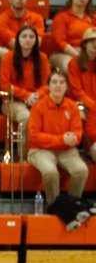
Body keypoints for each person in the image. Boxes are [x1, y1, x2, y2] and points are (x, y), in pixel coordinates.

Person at [28, 70, 89, 204]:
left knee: (81, 170)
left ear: (66, 87)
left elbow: (77, 134)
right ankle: (54, 207)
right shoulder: (38, 106)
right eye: (54, 82)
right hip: (40, 150)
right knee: (50, 172)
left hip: (66, 149)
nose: (58, 86)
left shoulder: (72, 106)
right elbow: (34, 136)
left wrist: (72, 139)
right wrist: (62, 139)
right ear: (48, 86)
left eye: (61, 82)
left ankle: (71, 205)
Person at [0, 25, 49, 131]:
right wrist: (26, 96)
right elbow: (5, 85)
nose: (28, 39)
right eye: (24, 36)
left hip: (37, 100)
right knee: (27, 117)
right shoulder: (7, 58)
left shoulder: (43, 58)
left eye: (31, 37)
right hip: (12, 101)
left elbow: (47, 84)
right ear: (18, 39)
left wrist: (36, 96)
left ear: (36, 40)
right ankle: (25, 148)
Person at [0, 0, 47, 71]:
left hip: (30, 54)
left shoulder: (37, 18)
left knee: (43, 57)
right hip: (9, 54)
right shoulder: (0, 19)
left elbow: (37, 42)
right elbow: (12, 43)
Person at [50, 0, 94, 72]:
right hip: (64, 53)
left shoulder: (93, 18)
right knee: (73, 64)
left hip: (90, 53)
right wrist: (79, 56)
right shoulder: (61, 17)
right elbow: (60, 42)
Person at [68, 28, 96, 115]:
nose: (95, 44)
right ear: (84, 44)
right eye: (92, 41)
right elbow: (77, 93)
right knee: (80, 115)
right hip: (81, 104)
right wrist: (93, 106)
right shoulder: (74, 63)